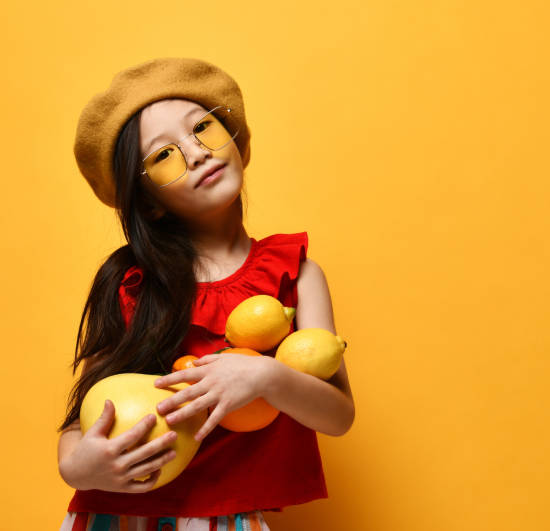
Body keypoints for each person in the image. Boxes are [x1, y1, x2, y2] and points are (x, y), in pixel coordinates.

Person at [56, 57, 355, 530]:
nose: (196, 153)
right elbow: (83, 417)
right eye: (164, 155)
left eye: (204, 129)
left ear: (236, 141)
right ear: (149, 204)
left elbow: (338, 415)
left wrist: (264, 378)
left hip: (226, 518)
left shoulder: (296, 275)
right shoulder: (134, 283)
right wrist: (79, 465)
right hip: (119, 516)